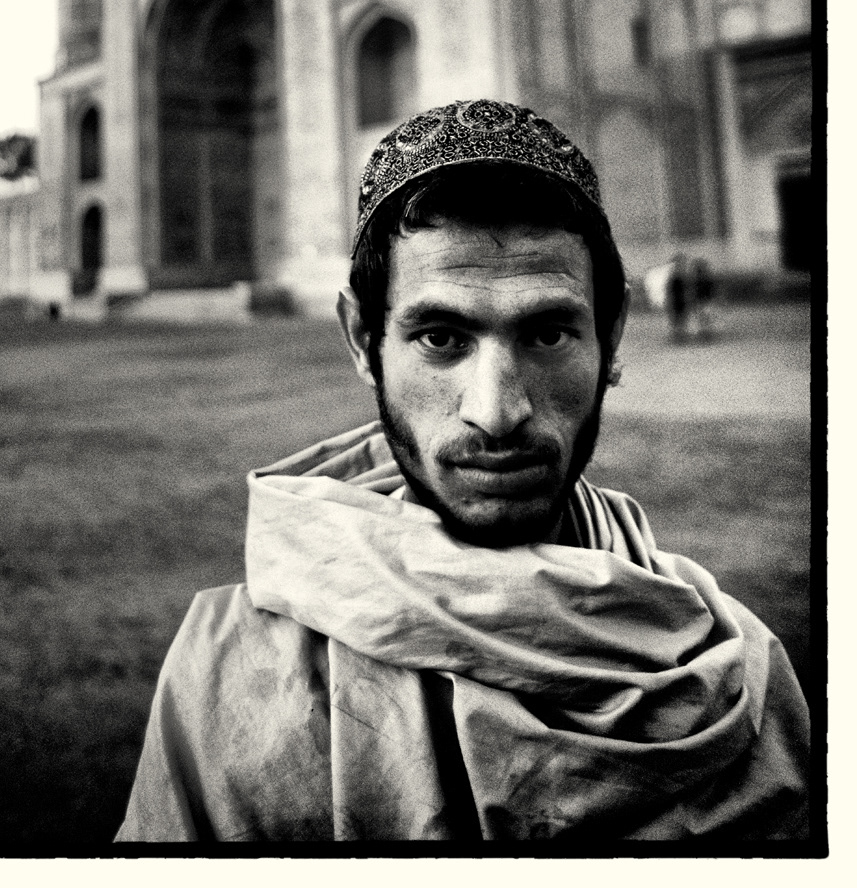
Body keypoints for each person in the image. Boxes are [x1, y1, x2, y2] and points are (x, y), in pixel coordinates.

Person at [116, 100, 809, 844]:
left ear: (609, 338)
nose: (496, 410)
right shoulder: (230, 667)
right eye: (440, 337)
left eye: (546, 333)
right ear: (363, 340)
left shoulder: (734, 665)